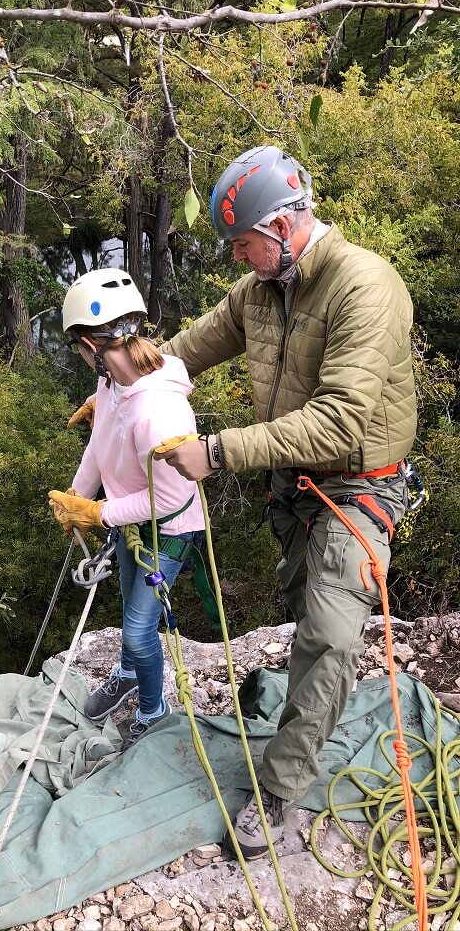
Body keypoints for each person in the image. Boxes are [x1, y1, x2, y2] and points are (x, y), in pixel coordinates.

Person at [147, 145, 416, 858]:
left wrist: (219, 451)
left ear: (283, 226)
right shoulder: (263, 292)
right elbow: (192, 346)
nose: (238, 258)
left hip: (359, 486)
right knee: (308, 622)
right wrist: (125, 384)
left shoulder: (365, 286)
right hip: (295, 488)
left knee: (328, 636)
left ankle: (278, 796)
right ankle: (306, 715)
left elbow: (339, 419)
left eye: (243, 244)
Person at [48, 268, 206, 753]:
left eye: (78, 347)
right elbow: (98, 446)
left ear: (92, 346)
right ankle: (127, 674)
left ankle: (153, 709)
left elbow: (174, 497)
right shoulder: (113, 384)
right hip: (130, 521)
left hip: (171, 530)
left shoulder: (158, 410)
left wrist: (98, 514)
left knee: (140, 629)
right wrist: (77, 497)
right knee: (127, 606)